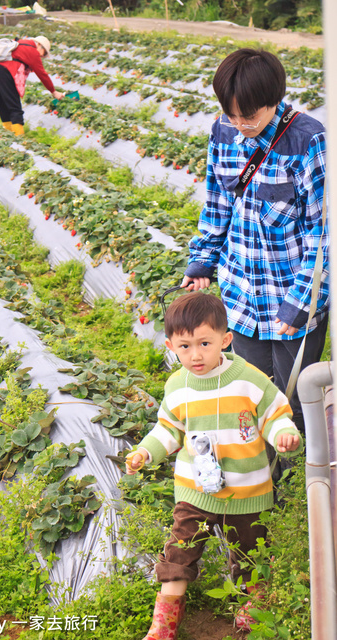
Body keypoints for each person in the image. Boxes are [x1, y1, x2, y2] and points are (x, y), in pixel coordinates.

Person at [125, 292, 302, 639]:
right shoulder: (177, 386)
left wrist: (283, 433)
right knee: (179, 551)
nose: (195, 355)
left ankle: (255, 608)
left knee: (251, 555)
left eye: (205, 343)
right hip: (194, 491)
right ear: (171, 346)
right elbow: (169, 429)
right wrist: (146, 452)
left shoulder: (247, 379)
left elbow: (274, 413)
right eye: (184, 347)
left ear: (226, 339)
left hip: (246, 491)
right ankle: (164, 623)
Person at [181, 48, 328, 435]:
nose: (239, 123)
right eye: (231, 114)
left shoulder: (308, 141)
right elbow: (218, 202)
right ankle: (259, 471)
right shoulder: (223, 131)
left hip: (290, 297)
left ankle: (298, 469)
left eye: (249, 115)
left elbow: (324, 234)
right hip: (241, 293)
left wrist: (300, 303)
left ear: (273, 100)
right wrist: (202, 261)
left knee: (291, 395)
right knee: (249, 389)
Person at [0, 35, 64, 135]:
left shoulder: (18, 43)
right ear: (39, 45)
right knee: (14, 106)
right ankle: (19, 139)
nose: (41, 57)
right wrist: (53, 91)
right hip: (3, 72)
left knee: (1, 104)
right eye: (43, 54)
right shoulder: (32, 50)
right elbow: (41, 73)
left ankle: (8, 136)